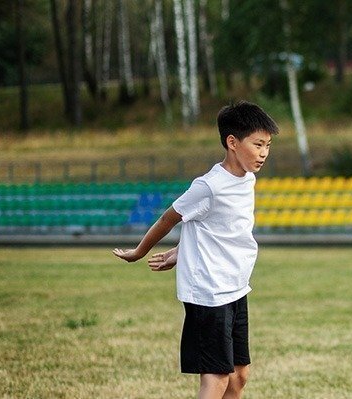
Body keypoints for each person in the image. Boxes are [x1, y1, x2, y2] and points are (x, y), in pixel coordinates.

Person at [113, 100, 277, 399]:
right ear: (232, 142)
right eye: (258, 144)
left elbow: (218, 229)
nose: (264, 152)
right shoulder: (208, 186)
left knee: (239, 376)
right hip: (209, 292)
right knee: (217, 378)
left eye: (267, 145)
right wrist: (138, 252)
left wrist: (181, 251)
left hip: (236, 287)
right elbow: (168, 218)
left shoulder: (247, 180)